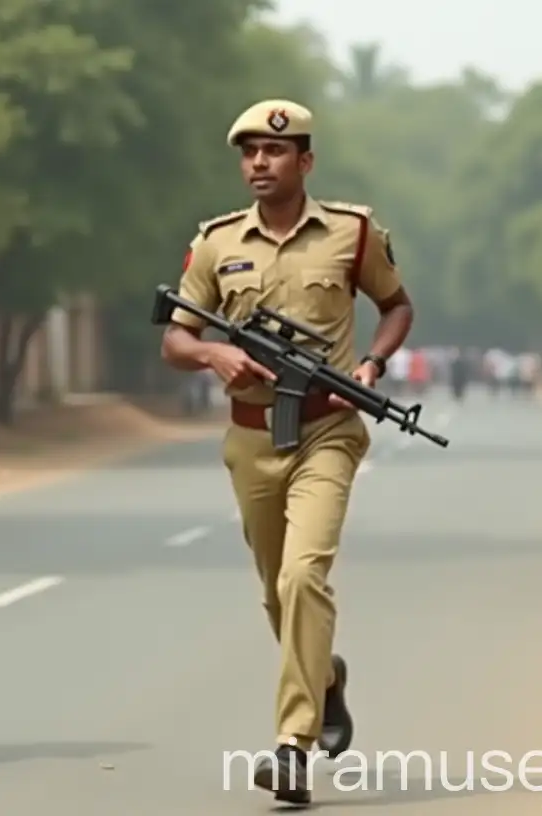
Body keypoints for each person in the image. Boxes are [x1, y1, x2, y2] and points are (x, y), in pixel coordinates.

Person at [158, 99, 414, 804]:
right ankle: (324, 679)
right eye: (248, 154)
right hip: (250, 436)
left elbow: (396, 305)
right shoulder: (215, 243)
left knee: (304, 577)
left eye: (274, 152)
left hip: (329, 428)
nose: (258, 164)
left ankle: (291, 747)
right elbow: (175, 338)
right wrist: (214, 353)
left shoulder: (351, 233)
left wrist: (372, 366)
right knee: (276, 591)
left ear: (305, 160)